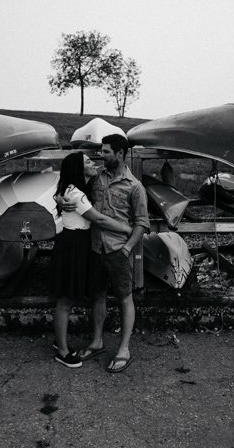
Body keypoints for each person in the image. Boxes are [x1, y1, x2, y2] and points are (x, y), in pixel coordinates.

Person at [61, 134, 149, 374]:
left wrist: (128, 248)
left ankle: (124, 349)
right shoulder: (96, 177)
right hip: (95, 248)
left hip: (118, 250)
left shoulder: (135, 187)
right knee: (97, 296)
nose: (102, 155)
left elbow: (142, 223)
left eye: (107, 151)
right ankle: (97, 342)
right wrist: (61, 199)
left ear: (120, 154)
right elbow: (71, 187)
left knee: (124, 298)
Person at [51, 151, 133, 369]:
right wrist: (126, 228)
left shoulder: (81, 187)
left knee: (70, 296)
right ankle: (62, 351)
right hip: (73, 245)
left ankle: (60, 341)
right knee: (66, 300)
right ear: (79, 169)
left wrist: (58, 198)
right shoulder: (76, 193)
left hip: (79, 244)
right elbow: (98, 218)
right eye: (87, 162)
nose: (93, 163)